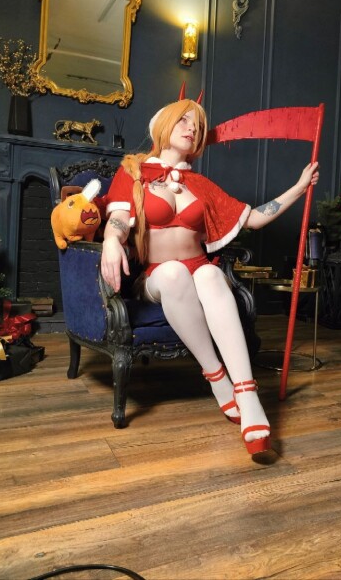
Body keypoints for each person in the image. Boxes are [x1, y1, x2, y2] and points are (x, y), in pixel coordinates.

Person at [101, 92, 319, 455]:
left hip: (199, 269)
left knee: (209, 275)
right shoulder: (134, 171)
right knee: (174, 273)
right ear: (164, 123)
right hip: (156, 277)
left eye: (198, 126)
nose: (192, 129)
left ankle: (246, 393)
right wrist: (111, 240)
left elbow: (253, 219)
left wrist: (298, 188)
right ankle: (216, 376)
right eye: (184, 120)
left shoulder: (200, 185)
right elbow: (120, 219)